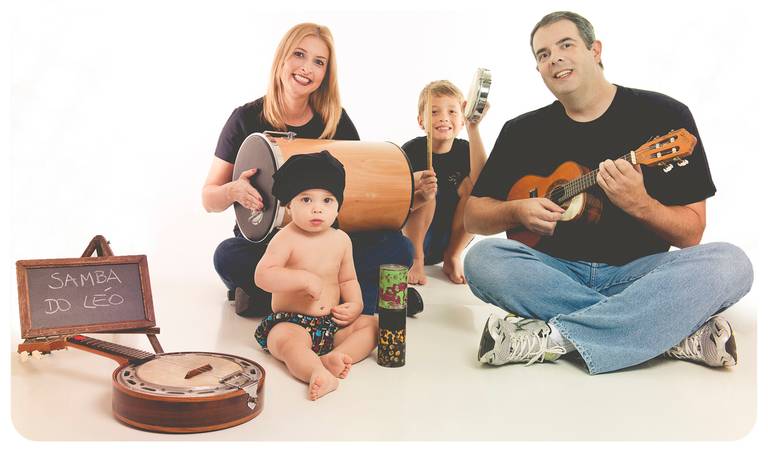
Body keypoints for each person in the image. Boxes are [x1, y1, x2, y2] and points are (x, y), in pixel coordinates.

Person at [463, 11, 753, 375]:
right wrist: (516, 211)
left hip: (640, 275)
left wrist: (642, 205)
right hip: (552, 274)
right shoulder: (520, 131)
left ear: (595, 50)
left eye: (566, 45)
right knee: (482, 259)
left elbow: (691, 234)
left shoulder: (665, 115)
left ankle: (555, 338)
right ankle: (667, 332)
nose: (555, 58)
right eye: (543, 54)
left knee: (732, 264)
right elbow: (473, 216)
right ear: (538, 69)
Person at [202, 23, 416, 317]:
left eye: (319, 62)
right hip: (271, 246)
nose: (306, 68)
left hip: (327, 242)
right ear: (282, 58)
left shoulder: (335, 120)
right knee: (228, 256)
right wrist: (232, 191)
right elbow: (209, 198)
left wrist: (410, 194)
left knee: (399, 247)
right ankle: (368, 298)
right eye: (299, 54)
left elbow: (357, 187)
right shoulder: (245, 118)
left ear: (326, 74)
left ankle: (270, 301)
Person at [253, 151, 377, 400]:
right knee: (286, 343)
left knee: (372, 325)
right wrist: (302, 279)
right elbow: (263, 276)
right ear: (290, 206)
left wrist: (355, 304)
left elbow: (348, 279)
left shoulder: (341, 240)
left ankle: (337, 356)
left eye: (327, 200)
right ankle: (315, 372)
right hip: (292, 323)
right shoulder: (286, 238)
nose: (317, 208)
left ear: (338, 206)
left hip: (331, 324)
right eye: (306, 199)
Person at [401, 81, 488, 285]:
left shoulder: (465, 150)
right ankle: (416, 259)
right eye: (434, 112)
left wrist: (473, 128)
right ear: (421, 121)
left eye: (452, 112)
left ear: (462, 119)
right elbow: (398, 201)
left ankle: (452, 257)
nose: (444, 118)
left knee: (473, 190)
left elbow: (485, 183)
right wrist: (419, 187)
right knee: (427, 191)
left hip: (450, 238)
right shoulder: (411, 150)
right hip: (416, 239)